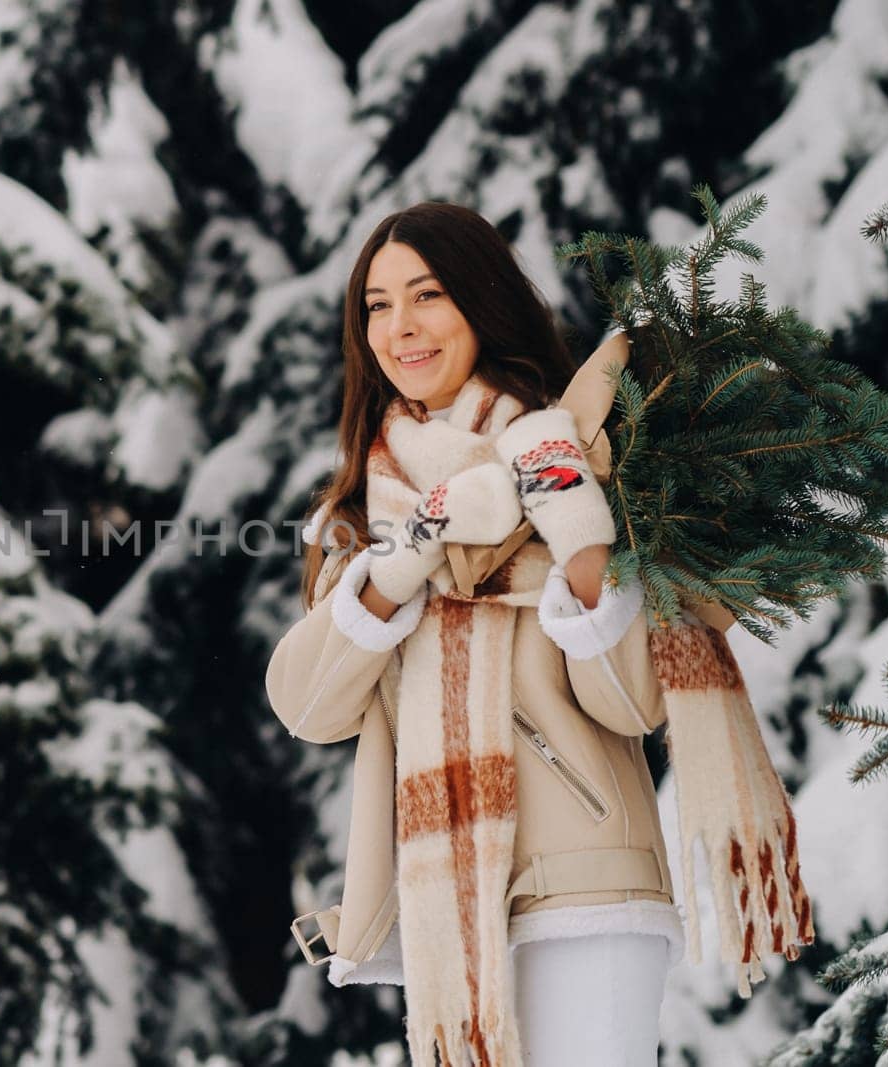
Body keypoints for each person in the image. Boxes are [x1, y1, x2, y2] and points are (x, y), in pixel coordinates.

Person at [265, 203, 683, 1066]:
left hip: (587, 889)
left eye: (427, 294)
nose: (399, 326)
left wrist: (577, 536)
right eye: (376, 305)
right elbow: (306, 703)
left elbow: (632, 700)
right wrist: (411, 549)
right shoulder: (365, 506)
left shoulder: (578, 452)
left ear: (481, 302)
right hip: (449, 906)